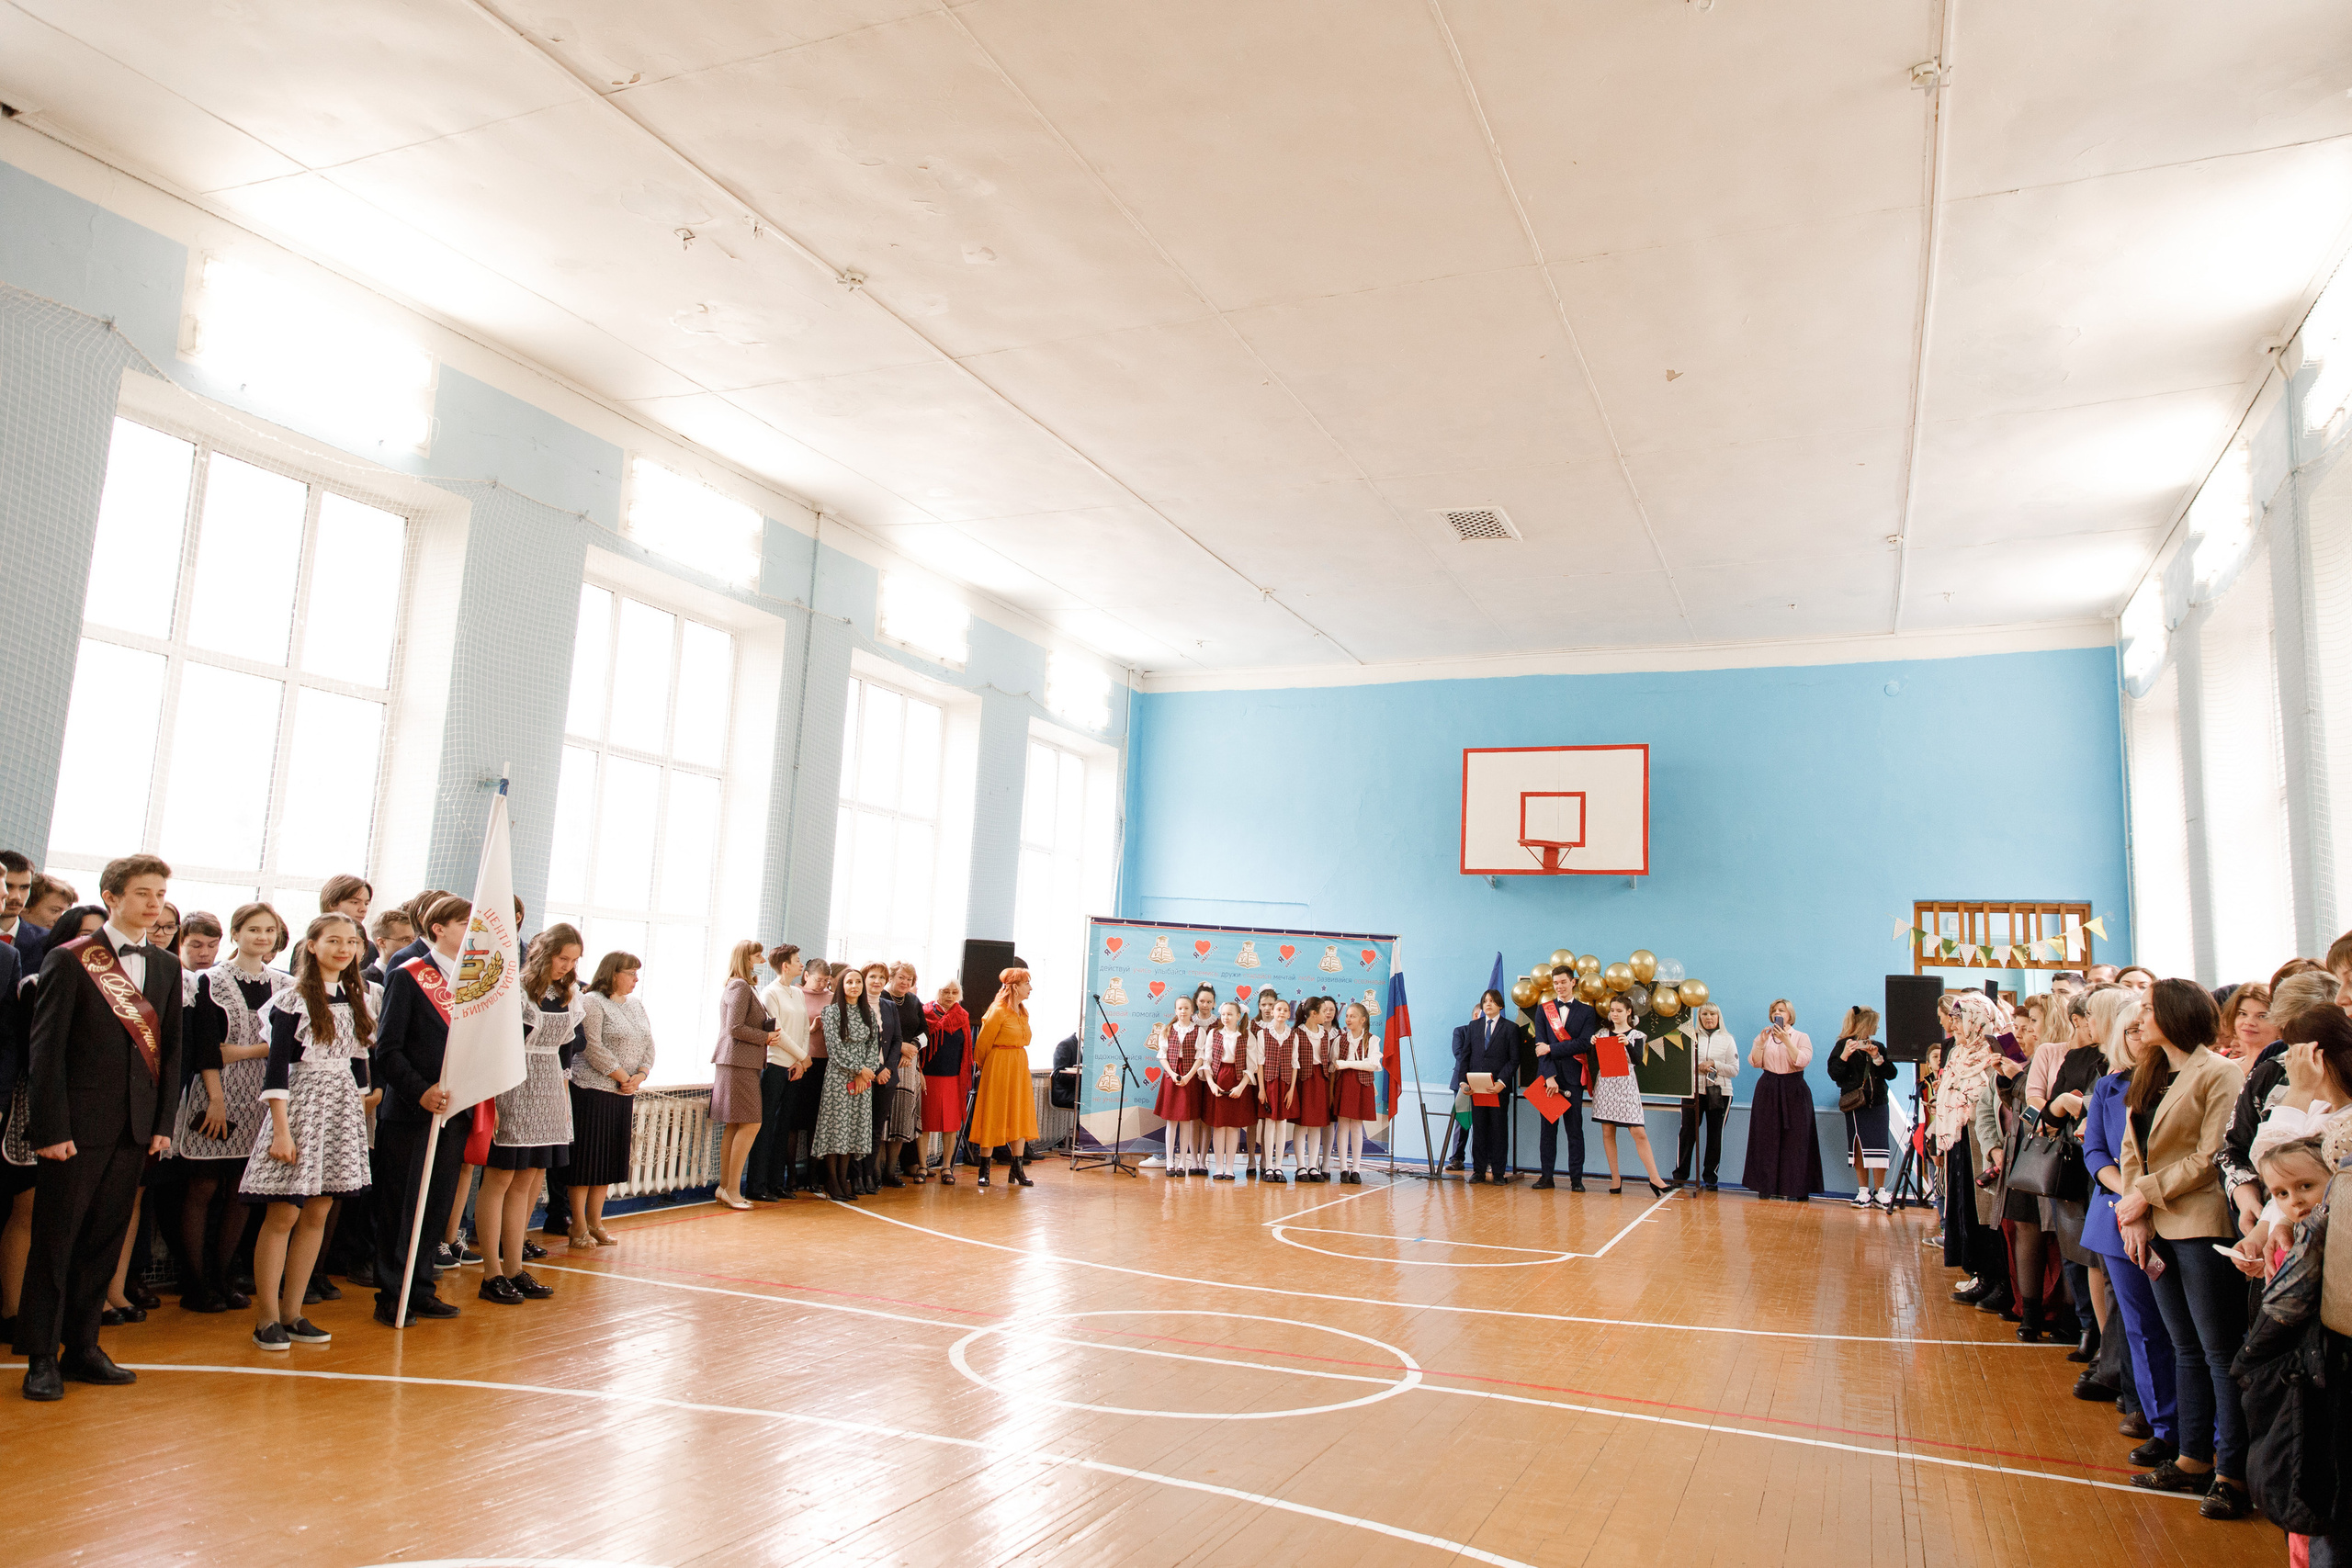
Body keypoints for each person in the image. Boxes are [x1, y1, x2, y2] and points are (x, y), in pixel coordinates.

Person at [15, 855, 180, 1402]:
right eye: (142, 893)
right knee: (56, 1241)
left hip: (136, 1127)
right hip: (75, 1129)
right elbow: (46, 1055)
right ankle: (41, 1356)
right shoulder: (70, 960)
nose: (153, 904)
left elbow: (171, 1051)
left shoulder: (165, 966)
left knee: (106, 1239)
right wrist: (50, 1128)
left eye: (159, 894)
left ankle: (83, 1347)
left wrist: (162, 1124)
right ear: (111, 896)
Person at [2113, 977, 2248, 1517]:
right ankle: (2192, 1457)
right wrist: (2135, 1213)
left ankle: (2231, 1473)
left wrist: (2142, 1197)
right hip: (2158, 1223)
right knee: (2185, 1348)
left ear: (2176, 1014)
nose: (2138, 1019)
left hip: (2200, 1224)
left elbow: (2211, 1154)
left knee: (2219, 1351)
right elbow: (2131, 1149)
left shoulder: (2220, 1071)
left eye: (2147, 1010)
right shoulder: (2150, 1072)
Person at [237, 913, 375, 1349]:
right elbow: (276, 1071)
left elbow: (357, 1062)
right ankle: (267, 1319)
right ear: (311, 945)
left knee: (318, 1212)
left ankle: (295, 1312)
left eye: (350, 942)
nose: (343, 949)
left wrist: (362, 1098)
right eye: (333, 940)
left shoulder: (357, 998)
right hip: (298, 1108)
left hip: (338, 1109)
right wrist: (281, 1131)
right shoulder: (291, 999)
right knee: (284, 1214)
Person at [172, 902, 290, 1312]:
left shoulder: (286, 985)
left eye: (269, 931)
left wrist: (244, 1051)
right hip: (214, 1094)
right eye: (253, 930)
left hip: (264, 1097)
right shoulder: (208, 981)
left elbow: (286, 1047)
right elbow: (206, 1049)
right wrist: (217, 1100)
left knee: (242, 1190)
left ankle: (222, 1277)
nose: (262, 937)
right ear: (236, 934)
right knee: (202, 1186)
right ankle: (196, 1282)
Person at [2077, 988, 2176, 1459]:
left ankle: (2187, 1421)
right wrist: (2126, 1193)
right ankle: (2156, 1417)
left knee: (2182, 1329)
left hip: (2176, 1212)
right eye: (2130, 1030)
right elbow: (2094, 1150)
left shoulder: (2181, 1081)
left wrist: (2145, 1196)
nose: (2138, 1036)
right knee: (2139, 1324)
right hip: (2118, 1212)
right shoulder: (2109, 1086)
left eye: (2144, 1027)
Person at [370, 895, 475, 1328]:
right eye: (466, 925)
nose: (473, 934)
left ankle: (422, 1289)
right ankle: (392, 1295)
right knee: (402, 1207)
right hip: (412, 1113)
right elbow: (387, 1050)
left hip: (455, 1112)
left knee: (435, 1206)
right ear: (440, 929)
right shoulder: (408, 976)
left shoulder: (475, 981)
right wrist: (420, 1091)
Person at [475, 927, 582, 1304]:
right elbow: (496, 1045)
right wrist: (493, 1102)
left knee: (530, 1178)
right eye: (562, 958)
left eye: (573, 960)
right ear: (544, 952)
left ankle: (514, 1266)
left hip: (551, 1086)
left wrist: (562, 1090)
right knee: (501, 1177)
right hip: (514, 1084)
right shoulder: (515, 991)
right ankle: (491, 1273)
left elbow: (568, 1049)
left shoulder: (568, 993)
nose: (567, 967)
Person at [566, 951, 652, 1247]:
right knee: (586, 1161)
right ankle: (577, 1226)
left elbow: (648, 1046)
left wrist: (640, 1075)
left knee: (606, 1162)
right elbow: (592, 1046)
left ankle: (595, 1222)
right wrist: (620, 1076)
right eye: (630, 973)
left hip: (623, 1093)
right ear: (613, 973)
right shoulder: (592, 1001)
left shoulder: (637, 1005)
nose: (635, 979)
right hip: (591, 1091)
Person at [708, 940, 774, 1211]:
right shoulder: (739, 985)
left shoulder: (743, 986)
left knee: (735, 1125)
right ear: (746, 958)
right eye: (757, 954)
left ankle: (726, 1187)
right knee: (750, 1123)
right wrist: (766, 1037)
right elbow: (735, 1027)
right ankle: (732, 1189)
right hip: (737, 1062)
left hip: (737, 1062)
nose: (761, 957)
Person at [811, 964, 883, 1200]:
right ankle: (832, 1182)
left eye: (858, 982)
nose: (854, 986)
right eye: (849, 982)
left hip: (862, 1081)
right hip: (839, 1079)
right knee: (836, 1130)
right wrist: (858, 1069)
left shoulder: (868, 1013)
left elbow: (874, 1046)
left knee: (853, 1130)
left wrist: (867, 1072)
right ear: (841, 986)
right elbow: (835, 1049)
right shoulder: (831, 1012)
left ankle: (844, 1180)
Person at [1589, 993, 1669, 1195]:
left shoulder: (1636, 1035)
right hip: (1606, 1084)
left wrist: (1627, 1044)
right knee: (1607, 1131)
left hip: (1626, 1086)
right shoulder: (1602, 1032)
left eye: (1619, 1011)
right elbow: (1595, 1061)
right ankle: (1615, 1178)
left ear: (1628, 1012)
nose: (1614, 1014)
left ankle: (1655, 1178)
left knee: (1638, 1132)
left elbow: (1637, 1061)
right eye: (1612, 1010)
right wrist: (1592, 1044)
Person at [1742, 998, 1821, 1201]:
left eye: (1782, 1010)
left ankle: (1797, 1188)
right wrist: (1759, 1044)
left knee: (1797, 1141)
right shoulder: (1764, 1037)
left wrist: (1787, 1040)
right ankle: (1765, 1187)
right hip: (1768, 1088)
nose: (1778, 1013)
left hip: (1794, 1089)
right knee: (1765, 1139)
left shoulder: (1801, 1037)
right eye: (1774, 1010)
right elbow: (1755, 1062)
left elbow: (1802, 1060)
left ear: (1790, 1015)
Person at [1525, 968, 1597, 1190]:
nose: (1559, 987)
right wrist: (1549, 1077)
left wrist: (1552, 1048)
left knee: (1575, 1131)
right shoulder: (1543, 1010)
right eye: (1556, 983)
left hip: (1573, 1078)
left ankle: (1577, 1179)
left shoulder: (1587, 1012)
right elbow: (1540, 1048)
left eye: (1563, 982)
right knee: (1548, 1131)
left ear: (1573, 982)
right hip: (1549, 1079)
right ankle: (1547, 1176)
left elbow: (1583, 1043)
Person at [966, 968, 1038, 1188]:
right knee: (992, 1113)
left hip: (1018, 1065)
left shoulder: (1023, 1012)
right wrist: (984, 1066)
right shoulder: (997, 1011)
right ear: (1015, 987)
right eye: (1027, 984)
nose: (1030, 988)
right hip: (998, 1065)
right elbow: (982, 1045)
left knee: (1018, 1113)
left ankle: (1017, 1168)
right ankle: (984, 1168)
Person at [748, 944, 810, 1201]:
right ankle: (757, 1186)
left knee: (784, 1127)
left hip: (795, 1067)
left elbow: (805, 1029)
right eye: (797, 960)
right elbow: (778, 1033)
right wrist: (802, 1056)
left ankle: (777, 1183)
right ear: (785, 965)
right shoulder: (769, 992)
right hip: (775, 1067)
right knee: (766, 1127)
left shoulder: (797, 992)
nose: (801, 964)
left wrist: (802, 1062)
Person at [1826, 1006, 1895, 1209]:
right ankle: (1863, 1191)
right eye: (1875, 1023)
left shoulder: (1879, 1046)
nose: (1878, 1027)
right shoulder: (1842, 1045)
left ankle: (1881, 1191)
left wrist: (1877, 1058)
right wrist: (1845, 1055)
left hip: (1878, 1103)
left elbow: (1891, 1074)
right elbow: (1834, 1074)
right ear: (1867, 1024)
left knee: (1880, 1146)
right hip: (1856, 1104)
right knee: (1859, 1146)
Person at [1457, 989, 1520, 1185]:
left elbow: (1514, 1059)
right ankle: (1478, 1171)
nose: (1488, 1004)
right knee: (1480, 1129)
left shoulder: (1510, 1028)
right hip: (1477, 1089)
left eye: (1492, 1001)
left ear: (1500, 1005)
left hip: (1498, 1089)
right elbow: (1465, 1056)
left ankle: (1499, 1173)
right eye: (1485, 1001)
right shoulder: (1474, 1026)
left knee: (1498, 1130)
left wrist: (1501, 1083)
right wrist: (1463, 1081)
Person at [1676, 1003, 1738, 1190]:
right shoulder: (1690, 1037)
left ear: (1718, 1017)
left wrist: (1714, 1064)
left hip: (1720, 1093)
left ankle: (1710, 1177)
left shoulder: (1728, 1039)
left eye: (1712, 1014)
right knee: (1687, 1132)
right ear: (1699, 1017)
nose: (1708, 1018)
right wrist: (1699, 1067)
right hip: (1693, 1092)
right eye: (1704, 1014)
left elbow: (1734, 1070)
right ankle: (1680, 1176)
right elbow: (1682, 1065)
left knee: (1714, 1134)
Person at [920, 979, 971, 1183]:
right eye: (945, 991)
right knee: (925, 1124)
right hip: (927, 1077)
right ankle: (923, 1166)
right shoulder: (923, 1013)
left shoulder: (963, 1017)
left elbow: (966, 1049)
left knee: (950, 1125)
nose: (950, 996)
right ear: (937, 992)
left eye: (954, 992)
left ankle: (947, 1167)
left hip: (953, 1079)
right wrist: (918, 1072)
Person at [1152, 995, 1206, 1178]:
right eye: (1180, 1009)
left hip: (1189, 1076)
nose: (1183, 1011)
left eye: (1186, 1008)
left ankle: (1183, 1161)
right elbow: (1162, 1056)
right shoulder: (1168, 1030)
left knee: (1186, 1122)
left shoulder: (1199, 1031)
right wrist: (1173, 1073)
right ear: (1175, 1011)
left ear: (1192, 1011)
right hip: (1172, 1076)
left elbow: (1200, 1057)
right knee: (1171, 1122)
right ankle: (1169, 1161)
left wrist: (1189, 1075)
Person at [1202, 999, 1255, 1180]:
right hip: (1218, 1079)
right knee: (1218, 1126)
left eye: (1230, 1014)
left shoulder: (1247, 1036)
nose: (1226, 1017)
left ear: (1238, 1016)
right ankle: (1218, 1167)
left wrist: (1241, 1086)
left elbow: (1252, 1064)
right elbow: (1206, 1061)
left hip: (1237, 1080)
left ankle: (1230, 1168)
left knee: (1233, 1126)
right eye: (1223, 1014)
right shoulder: (1214, 1034)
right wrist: (1211, 1083)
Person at [1331, 1000, 1380, 1184]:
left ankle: (1356, 1168)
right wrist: (1340, 1065)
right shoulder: (1341, 1039)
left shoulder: (1373, 1040)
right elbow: (1334, 1063)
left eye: (1352, 1016)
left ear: (1363, 1020)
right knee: (1343, 1124)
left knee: (1357, 1125)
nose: (1348, 1019)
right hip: (1344, 1083)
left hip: (1361, 1084)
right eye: (1347, 1016)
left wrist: (1346, 1064)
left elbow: (1373, 1064)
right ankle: (1344, 1168)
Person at [1252, 997, 1298, 1183]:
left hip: (1285, 1084)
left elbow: (1295, 1064)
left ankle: (1279, 1166)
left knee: (1282, 1124)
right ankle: (1268, 1167)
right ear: (1272, 1012)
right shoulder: (1263, 1034)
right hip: (1269, 1084)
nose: (1281, 1013)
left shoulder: (1293, 1035)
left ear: (1289, 1014)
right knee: (1269, 1124)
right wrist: (1262, 1089)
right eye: (1278, 1009)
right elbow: (1260, 1063)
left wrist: (1291, 1090)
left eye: (1285, 1010)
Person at [1291, 997, 1337, 1181]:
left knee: (1317, 1123)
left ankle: (1313, 1166)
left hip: (1320, 1079)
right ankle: (1300, 1166)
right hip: (1304, 1079)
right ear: (1313, 1013)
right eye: (1323, 1011)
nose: (1327, 1014)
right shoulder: (1297, 1033)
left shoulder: (1325, 1034)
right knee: (1302, 1123)